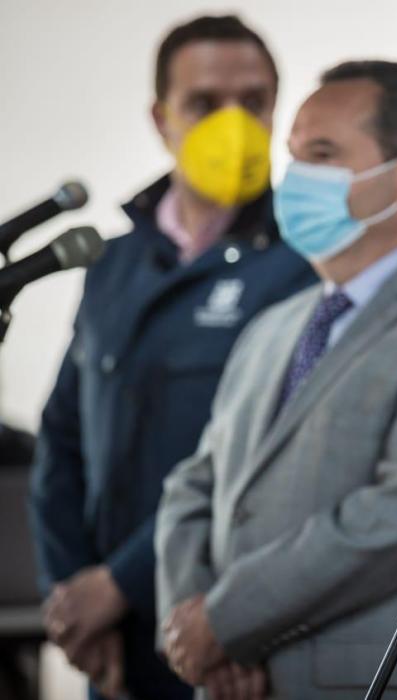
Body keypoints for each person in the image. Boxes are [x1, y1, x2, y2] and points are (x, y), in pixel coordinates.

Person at [155, 60, 397, 700]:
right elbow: (196, 485)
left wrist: (227, 622)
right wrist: (198, 629)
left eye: (323, 154)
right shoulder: (271, 327)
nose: (295, 178)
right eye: (294, 155)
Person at [28, 15, 315, 700]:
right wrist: (72, 601)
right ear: (162, 118)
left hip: (231, 635)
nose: (234, 122)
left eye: (254, 102)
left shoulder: (307, 264)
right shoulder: (114, 260)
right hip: (115, 643)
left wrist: (117, 584)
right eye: (205, 104)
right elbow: (63, 438)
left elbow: (273, 463)